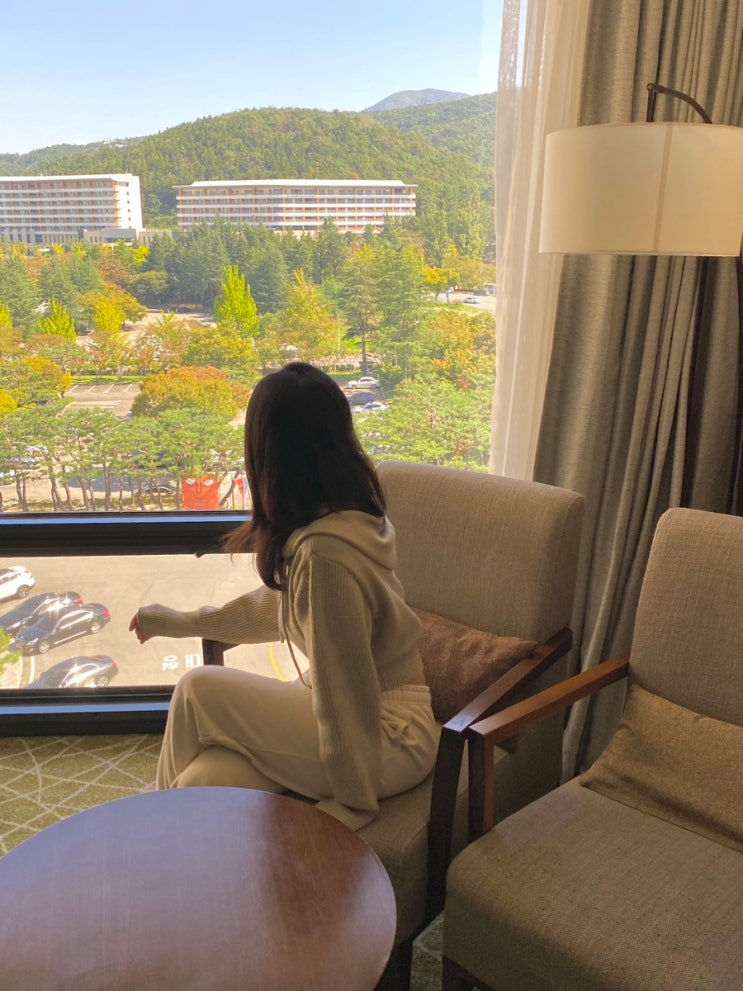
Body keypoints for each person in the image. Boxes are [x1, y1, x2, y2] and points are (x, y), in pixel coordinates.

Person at [129, 362, 437, 830]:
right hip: (359, 717)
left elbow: (343, 690)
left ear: (270, 455)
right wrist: (181, 622)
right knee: (200, 781)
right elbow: (275, 608)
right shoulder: (341, 519)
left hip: (389, 736)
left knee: (197, 688)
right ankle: (177, 849)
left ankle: (154, 844)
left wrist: (353, 805)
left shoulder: (325, 555)